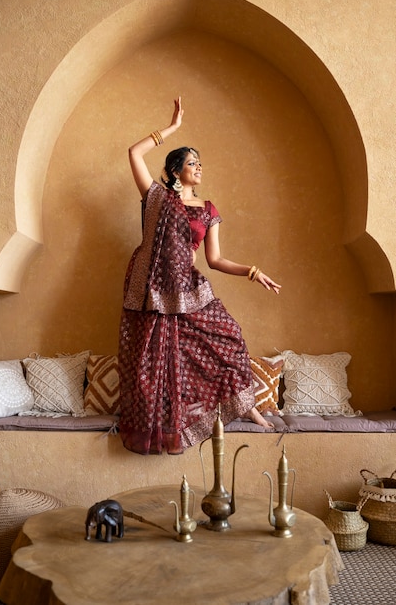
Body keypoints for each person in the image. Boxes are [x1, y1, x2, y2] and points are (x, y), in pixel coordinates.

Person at [118, 97, 281, 455]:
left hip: (189, 288)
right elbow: (133, 152)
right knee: (158, 356)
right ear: (176, 170)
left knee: (230, 338)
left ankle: (246, 405)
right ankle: (163, 422)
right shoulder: (157, 197)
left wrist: (254, 273)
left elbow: (216, 259)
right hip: (157, 290)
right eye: (192, 163)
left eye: (200, 163)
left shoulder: (208, 211)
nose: (199, 167)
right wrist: (171, 128)